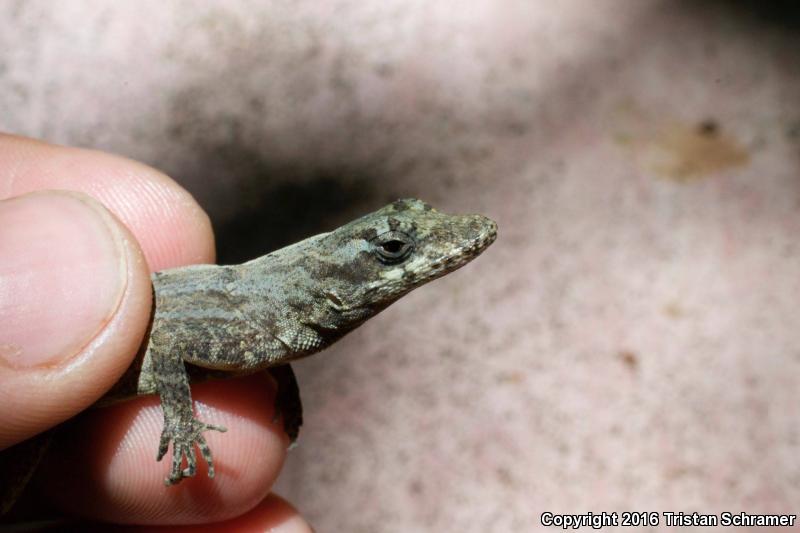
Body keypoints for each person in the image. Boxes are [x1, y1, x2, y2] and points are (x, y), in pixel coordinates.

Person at [0, 134, 312, 531]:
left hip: (62, 410)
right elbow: (170, 342)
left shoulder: (280, 320)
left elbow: (272, 353)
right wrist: (182, 424)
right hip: (61, 397)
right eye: (394, 250)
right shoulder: (266, 323)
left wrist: (286, 391)